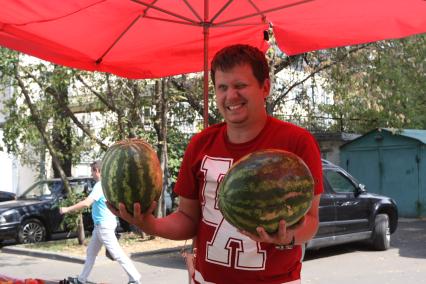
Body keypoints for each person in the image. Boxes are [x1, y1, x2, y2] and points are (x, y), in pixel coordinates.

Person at [111, 44, 323, 284]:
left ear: (265, 87)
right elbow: (188, 219)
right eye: (222, 87)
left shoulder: (297, 143)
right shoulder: (200, 144)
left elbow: (311, 222)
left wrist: (288, 237)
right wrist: (150, 224)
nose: (230, 96)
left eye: (240, 85)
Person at [60, 160, 141, 284]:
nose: (91, 174)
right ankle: (81, 279)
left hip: (104, 226)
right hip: (101, 225)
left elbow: (87, 203)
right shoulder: (107, 184)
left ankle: (135, 278)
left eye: (92, 171)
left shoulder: (100, 186)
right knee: (91, 252)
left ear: (97, 171)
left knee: (117, 253)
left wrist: (67, 209)